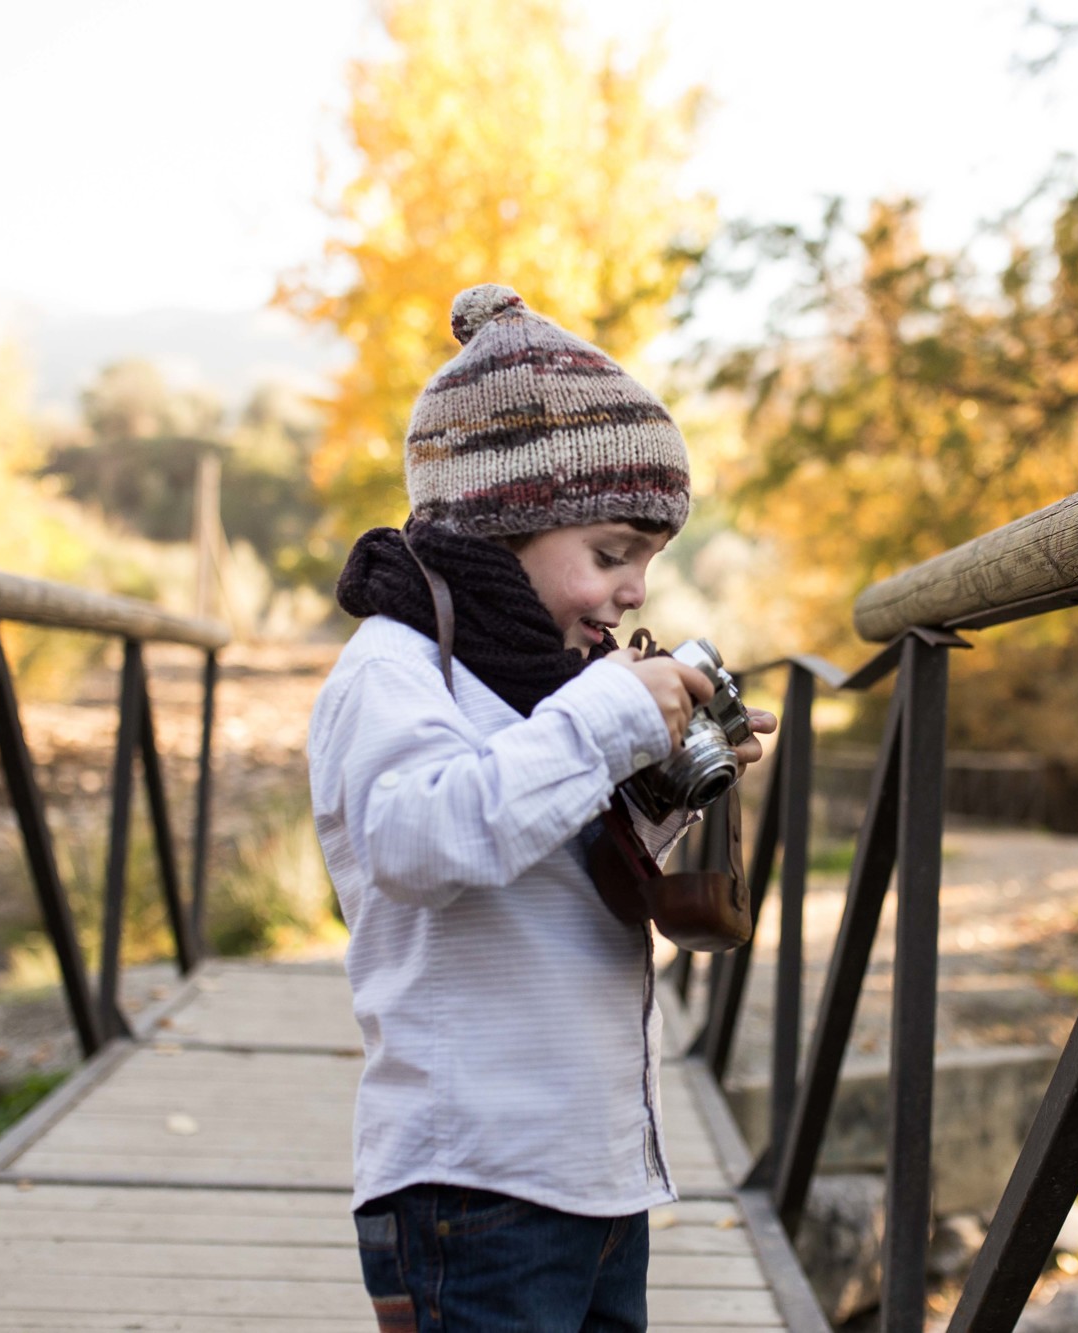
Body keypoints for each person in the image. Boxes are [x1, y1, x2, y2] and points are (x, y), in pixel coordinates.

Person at [308, 283, 777, 1333]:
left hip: (596, 1172)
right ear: (497, 527)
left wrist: (666, 784)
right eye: (611, 554)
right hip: (471, 1187)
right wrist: (610, 717)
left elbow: (549, 860)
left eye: (647, 564)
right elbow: (418, 839)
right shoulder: (392, 671)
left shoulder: (540, 681)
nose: (633, 594)